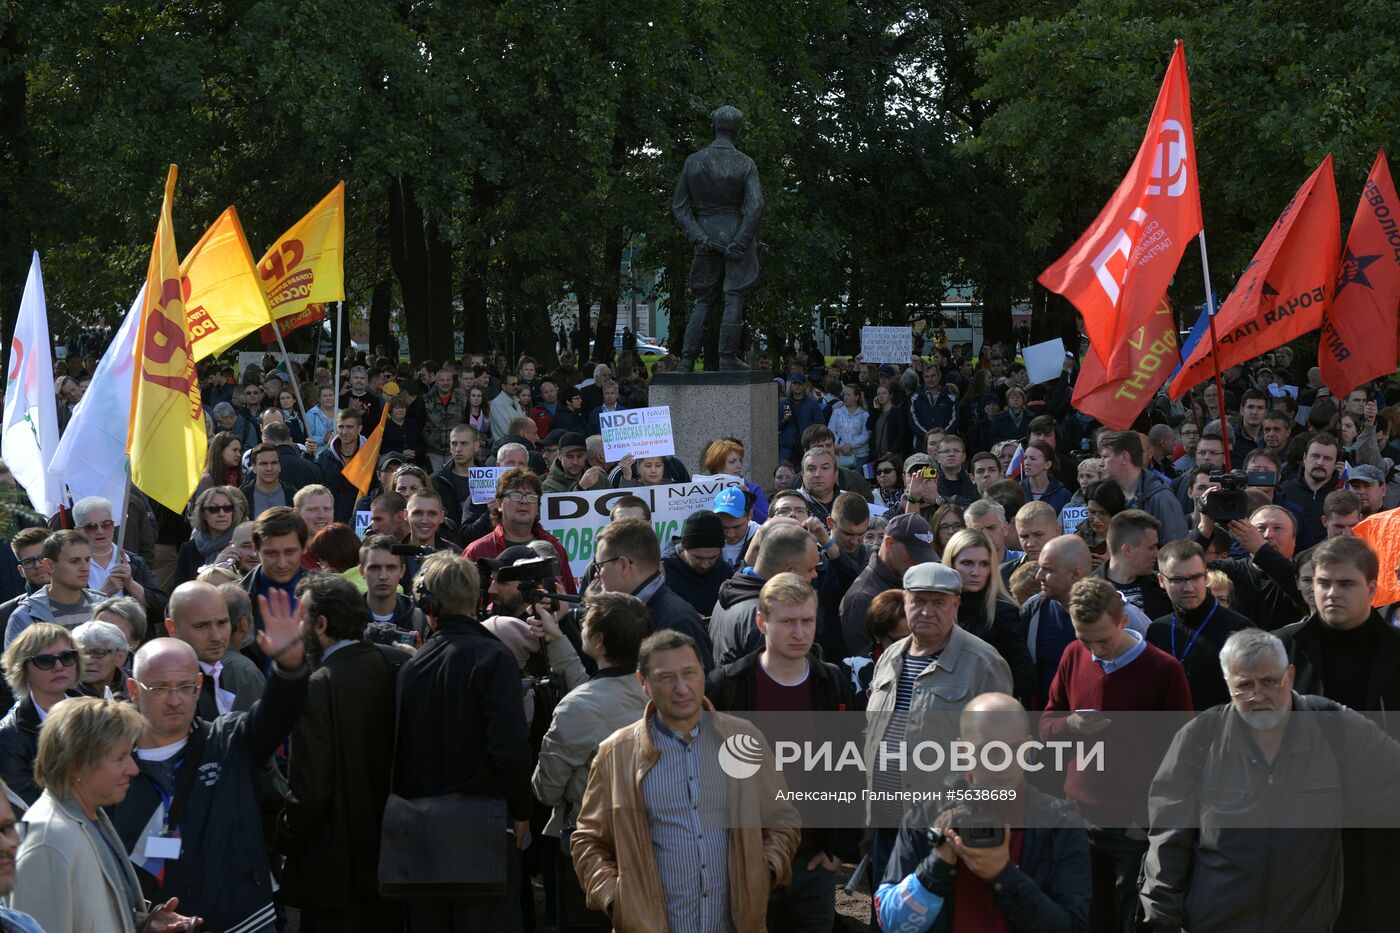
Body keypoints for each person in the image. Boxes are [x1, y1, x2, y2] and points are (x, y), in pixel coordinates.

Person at [1141, 628, 1400, 932]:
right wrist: (1161, 918)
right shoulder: (1199, 738)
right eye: (1244, 686)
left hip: (1305, 922)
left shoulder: (1333, 726)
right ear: (1227, 684)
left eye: (1268, 682)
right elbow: (1167, 838)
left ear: (1289, 675)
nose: (1257, 696)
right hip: (1215, 922)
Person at [571, 629, 801, 930]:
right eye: (667, 678)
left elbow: (783, 817)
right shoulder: (616, 754)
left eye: (690, 673)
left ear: (703, 673)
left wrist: (762, 872)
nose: (682, 688)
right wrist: (617, 900)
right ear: (644, 683)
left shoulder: (744, 739)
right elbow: (588, 839)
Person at [112, 586, 307, 933]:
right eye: (159, 688)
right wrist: (140, 920)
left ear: (199, 685)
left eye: (185, 687)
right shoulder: (113, 767)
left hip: (247, 921)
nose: (175, 700)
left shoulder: (229, 740)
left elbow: (277, 714)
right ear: (132, 689)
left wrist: (289, 667)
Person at [1040, 577, 1191, 932]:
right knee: (1085, 916)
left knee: (1130, 920)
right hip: (1079, 819)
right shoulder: (1073, 655)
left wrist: (1145, 820)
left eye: (1103, 639)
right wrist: (1071, 726)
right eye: (1084, 638)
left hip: (1132, 828)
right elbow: (1045, 725)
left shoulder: (1164, 671)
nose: (1094, 650)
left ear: (1123, 621)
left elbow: (1182, 756)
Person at [393, 552, 533, 931]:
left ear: (428, 604)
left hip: (424, 835)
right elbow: (509, 748)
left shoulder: (411, 669)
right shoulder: (494, 658)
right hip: (486, 831)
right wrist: (522, 813)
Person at [876, 692, 1091, 933]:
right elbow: (891, 923)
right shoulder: (924, 819)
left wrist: (1003, 875)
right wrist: (937, 864)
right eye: (988, 750)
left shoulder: (1061, 823)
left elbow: (1072, 926)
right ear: (961, 750)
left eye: (1014, 749)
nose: (1001, 762)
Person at [865, 563, 1013, 892]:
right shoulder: (889, 657)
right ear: (904, 601)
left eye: (939, 602)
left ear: (956, 605)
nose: (927, 611)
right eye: (918, 601)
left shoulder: (983, 663)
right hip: (887, 824)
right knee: (887, 918)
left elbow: (999, 755)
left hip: (944, 831)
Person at [276, 573, 406, 931]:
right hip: (391, 861)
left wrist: (284, 835)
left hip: (335, 871)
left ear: (319, 624)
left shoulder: (318, 687)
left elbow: (311, 792)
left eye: (299, 619)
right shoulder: (395, 665)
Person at [13, 697, 200, 933]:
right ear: (77, 764)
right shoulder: (46, 841)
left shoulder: (89, 815)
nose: (133, 769)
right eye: (120, 757)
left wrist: (140, 922)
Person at [531, 591, 650, 927]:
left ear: (598, 641)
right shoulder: (660, 689)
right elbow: (595, 690)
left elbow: (546, 790)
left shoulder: (577, 709)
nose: (577, 623)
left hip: (592, 852)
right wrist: (557, 640)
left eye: (584, 623)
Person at [1146, 540, 1253, 711]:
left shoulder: (1238, 628)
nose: (1188, 587)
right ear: (1161, 580)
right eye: (1178, 579)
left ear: (1206, 576)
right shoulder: (1157, 630)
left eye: (1196, 577)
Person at [595, 518, 714, 665]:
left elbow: (699, 685)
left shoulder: (676, 622)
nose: (597, 574)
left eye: (600, 565)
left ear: (623, 565)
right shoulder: (635, 613)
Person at [941, 528, 1035, 708]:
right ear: (951, 564)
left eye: (983, 564)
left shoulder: (1002, 612)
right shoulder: (939, 609)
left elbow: (1024, 678)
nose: (976, 572)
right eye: (967, 563)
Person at [711, 520, 821, 666]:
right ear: (790, 572)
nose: (815, 575)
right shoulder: (768, 615)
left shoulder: (729, 595)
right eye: (810, 569)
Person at [0, 623, 83, 810]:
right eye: (45, 660)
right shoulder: (8, 736)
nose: (59, 666)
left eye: (67, 656)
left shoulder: (97, 714)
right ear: (23, 670)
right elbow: (27, 807)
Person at [461, 468, 576, 594]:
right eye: (515, 495)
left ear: (538, 508)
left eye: (531, 496)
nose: (524, 501)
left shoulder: (555, 548)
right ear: (499, 504)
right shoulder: (477, 551)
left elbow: (570, 597)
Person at [1192, 503, 1307, 628]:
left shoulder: (1304, 575)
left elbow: (1301, 590)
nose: (1268, 535)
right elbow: (1183, 569)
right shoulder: (1231, 570)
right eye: (1261, 528)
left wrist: (1260, 548)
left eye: (1278, 528)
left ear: (1294, 539)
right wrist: (1205, 527)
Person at [164, 581, 264, 719]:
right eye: (201, 626)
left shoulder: (214, 671)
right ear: (172, 628)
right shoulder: (168, 690)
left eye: (222, 623)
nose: (216, 637)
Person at [840, 513, 936, 657]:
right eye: (914, 554)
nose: (919, 562)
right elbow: (864, 669)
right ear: (890, 543)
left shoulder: (908, 580)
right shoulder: (861, 599)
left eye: (924, 556)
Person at [1023, 534, 1092, 708]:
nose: (1038, 576)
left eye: (1047, 569)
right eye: (1040, 568)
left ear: (1075, 574)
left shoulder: (1117, 612)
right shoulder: (1033, 611)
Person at [71, 496, 166, 621]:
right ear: (78, 531)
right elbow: (70, 617)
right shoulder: (71, 567)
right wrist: (105, 592)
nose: (100, 531)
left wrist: (131, 584)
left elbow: (162, 611)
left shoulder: (134, 561)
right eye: (91, 527)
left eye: (106, 524)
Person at [5, 530, 105, 647]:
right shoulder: (25, 615)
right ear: (49, 565)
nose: (84, 567)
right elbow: (16, 664)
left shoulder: (104, 606)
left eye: (87, 560)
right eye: (74, 561)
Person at [1097, 429, 1188, 543]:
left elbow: (1177, 550)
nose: (1100, 463)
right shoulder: (1108, 494)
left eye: (1105, 457)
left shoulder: (1162, 499)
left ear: (1124, 457)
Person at [1094, 509, 1170, 621]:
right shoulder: (1091, 592)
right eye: (1151, 547)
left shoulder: (1162, 586)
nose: (1157, 553)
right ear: (1127, 550)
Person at [661, 510, 735, 619]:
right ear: (685, 548)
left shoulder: (725, 572)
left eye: (712, 558)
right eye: (698, 558)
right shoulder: (663, 571)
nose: (705, 564)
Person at [1278, 432, 1341, 551]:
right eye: (1315, 456)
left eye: (1327, 458)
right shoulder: (1284, 491)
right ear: (1304, 458)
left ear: (1336, 464)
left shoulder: (1342, 493)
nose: (1320, 462)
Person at [174, 486, 247, 587]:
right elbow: (179, 590)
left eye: (227, 508)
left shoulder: (242, 544)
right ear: (202, 513)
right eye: (213, 509)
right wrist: (215, 567)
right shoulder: (189, 548)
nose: (222, 514)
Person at [315, 408, 367, 522]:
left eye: (349, 427)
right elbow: (315, 487)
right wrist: (307, 456)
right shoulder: (324, 457)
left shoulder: (370, 457)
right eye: (341, 427)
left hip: (361, 520)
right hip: (331, 519)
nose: (344, 432)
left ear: (359, 428)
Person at [71, 620, 130, 700]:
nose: (88, 661)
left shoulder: (139, 688)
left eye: (98, 653)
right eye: (81, 653)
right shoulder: (62, 691)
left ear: (119, 657)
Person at [241, 443, 298, 515]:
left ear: (279, 466)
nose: (269, 468)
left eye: (274, 463)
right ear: (254, 468)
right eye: (263, 463)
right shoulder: (242, 497)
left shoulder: (293, 495)